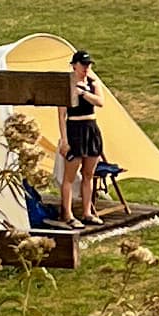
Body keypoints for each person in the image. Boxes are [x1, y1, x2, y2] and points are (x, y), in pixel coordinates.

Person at [62, 48, 107, 224]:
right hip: (74, 128)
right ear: (74, 65)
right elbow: (61, 115)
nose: (86, 68)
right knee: (70, 175)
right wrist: (64, 140)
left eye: (88, 65)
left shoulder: (93, 83)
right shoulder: (67, 85)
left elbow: (100, 102)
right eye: (83, 64)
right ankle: (68, 214)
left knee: (89, 173)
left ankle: (87, 212)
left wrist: (84, 93)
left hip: (91, 127)